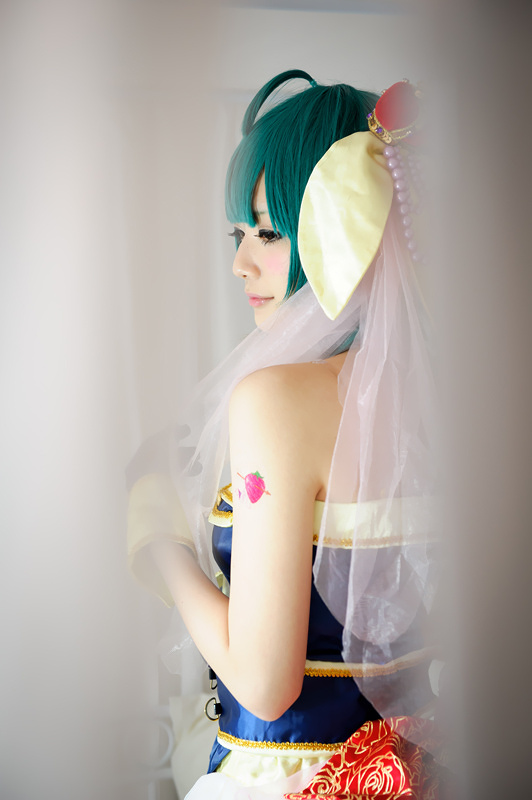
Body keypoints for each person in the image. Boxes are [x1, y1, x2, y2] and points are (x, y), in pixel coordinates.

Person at [126, 70, 440, 798]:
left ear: (344, 231)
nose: (241, 263)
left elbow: (265, 687)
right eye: (238, 234)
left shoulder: (275, 401)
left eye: (268, 232)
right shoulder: (461, 395)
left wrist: (162, 545)